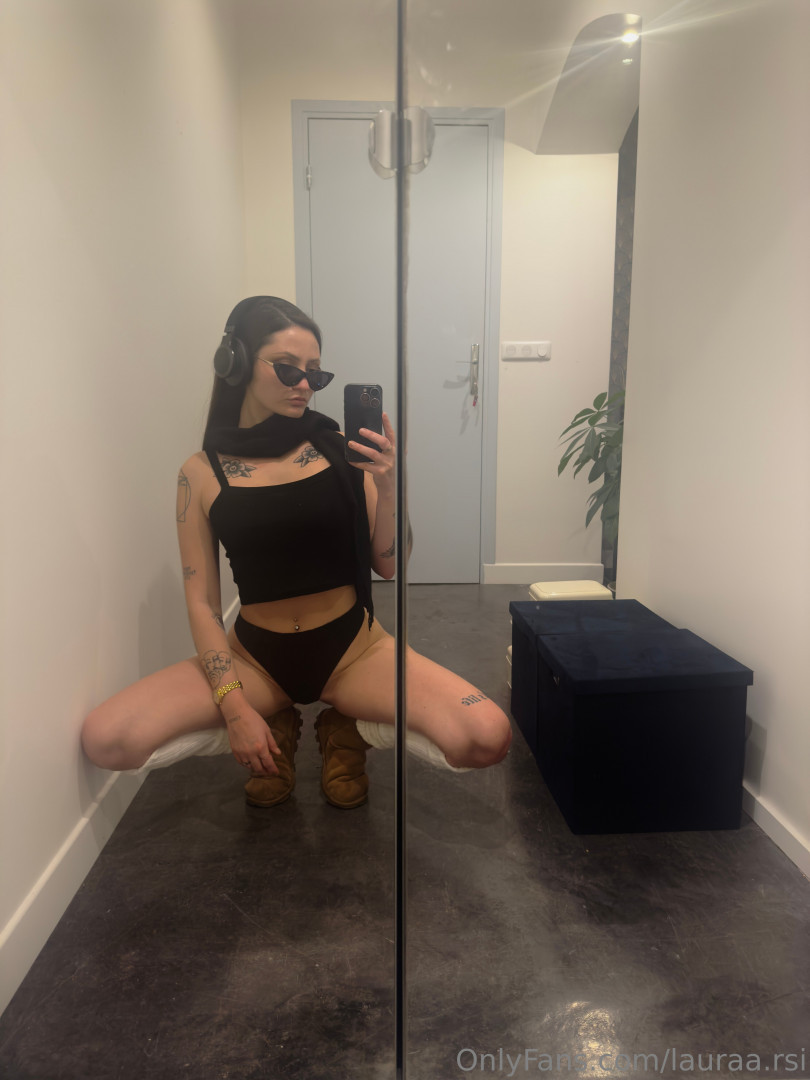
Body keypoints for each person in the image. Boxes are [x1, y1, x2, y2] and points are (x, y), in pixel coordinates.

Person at [81, 297, 512, 809]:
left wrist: (389, 485)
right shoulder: (199, 474)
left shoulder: (342, 449)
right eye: (288, 369)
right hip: (256, 661)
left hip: (353, 651)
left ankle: (351, 732)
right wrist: (235, 709)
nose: (304, 384)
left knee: (485, 736)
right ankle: (273, 725)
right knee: (108, 739)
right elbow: (202, 603)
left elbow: (389, 565)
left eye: (315, 373)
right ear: (237, 363)